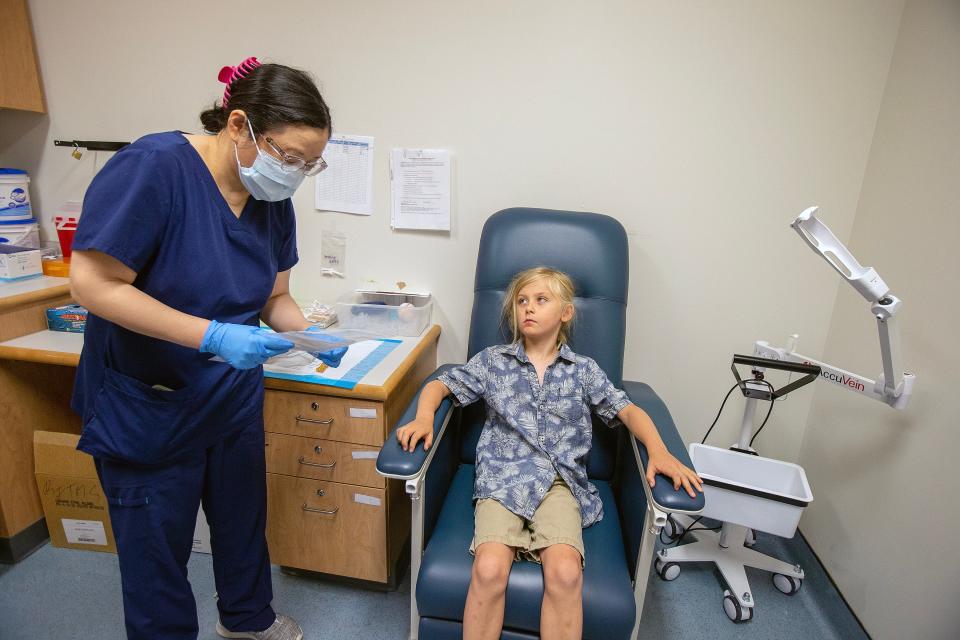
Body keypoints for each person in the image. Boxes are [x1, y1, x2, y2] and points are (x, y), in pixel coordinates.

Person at [69, 57, 340, 640]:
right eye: (287, 156)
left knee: (243, 525)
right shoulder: (154, 169)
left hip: (230, 400)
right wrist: (212, 335)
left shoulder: (270, 196)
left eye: (308, 163)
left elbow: (275, 296)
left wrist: (307, 334)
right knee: (156, 556)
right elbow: (92, 285)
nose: (293, 172)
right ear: (239, 124)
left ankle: (247, 621)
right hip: (151, 404)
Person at [395, 267, 703, 640]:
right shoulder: (494, 361)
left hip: (560, 484)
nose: (529, 308)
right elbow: (440, 385)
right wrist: (425, 418)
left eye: (542, 300)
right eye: (522, 301)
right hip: (502, 480)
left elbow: (627, 410)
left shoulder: (583, 371)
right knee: (490, 569)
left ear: (566, 313)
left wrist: (658, 450)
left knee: (566, 573)